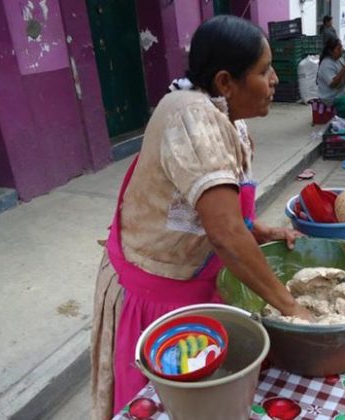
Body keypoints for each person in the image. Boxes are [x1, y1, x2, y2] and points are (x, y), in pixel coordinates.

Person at [90, 15, 313, 420]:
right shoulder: (193, 117)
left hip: (196, 282)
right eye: (264, 71)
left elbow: (211, 213)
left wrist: (260, 231)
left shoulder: (228, 117)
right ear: (226, 82)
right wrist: (292, 307)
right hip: (156, 295)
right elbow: (225, 234)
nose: (276, 80)